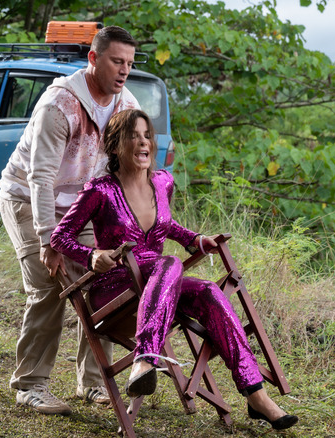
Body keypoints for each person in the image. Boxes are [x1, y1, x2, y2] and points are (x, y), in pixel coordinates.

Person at [50, 109, 298, 430]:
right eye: (132, 136)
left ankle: (256, 396)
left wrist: (194, 238)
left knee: (208, 291)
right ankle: (146, 356)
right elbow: (60, 237)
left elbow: (166, 225)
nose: (143, 142)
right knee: (170, 263)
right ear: (114, 146)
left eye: (146, 135)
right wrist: (91, 255)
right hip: (116, 291)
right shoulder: (100, 190)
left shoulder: (163, 182)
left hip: (158, 288)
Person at [0, 26, 141, 415]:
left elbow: (125, 170)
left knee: (105, 278)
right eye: (116, 61)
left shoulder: (125, 104)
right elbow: (39, 178)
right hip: (28, 199)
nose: (124, 70)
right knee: (49, 284)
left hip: (80, 205)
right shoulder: (59, 105)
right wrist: (50, 242)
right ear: (93, 59)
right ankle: (30, 386)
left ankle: (93, 382)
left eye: (129, 63)